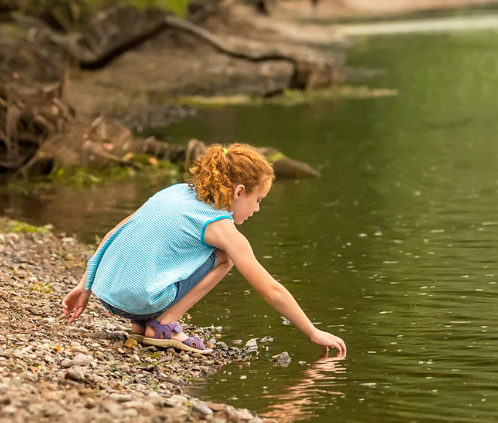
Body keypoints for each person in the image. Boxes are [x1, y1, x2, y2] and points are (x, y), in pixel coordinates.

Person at [61, 143, 347, 355]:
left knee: (181, 253)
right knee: (225, 257)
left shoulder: (173, 191)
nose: (257, 208)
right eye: (258, 199)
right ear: (238, 192)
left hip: (108, 294)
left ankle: (142, 324)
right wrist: (312, 331)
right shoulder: (220, 226)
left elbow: (113, 234)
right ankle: (164, 324)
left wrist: (84, 287)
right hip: (141, 299)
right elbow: (271, 290)